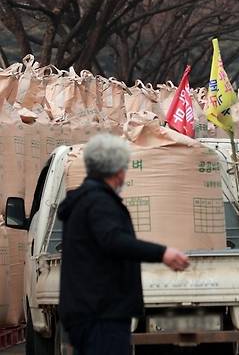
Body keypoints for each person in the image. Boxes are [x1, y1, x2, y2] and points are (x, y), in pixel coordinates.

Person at [58, 134, 190, 355]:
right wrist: (163, 253)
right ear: (118, 170)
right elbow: (114, 240)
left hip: (86, 311)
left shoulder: (83, 200)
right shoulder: (99, 202)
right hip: (102, 314)